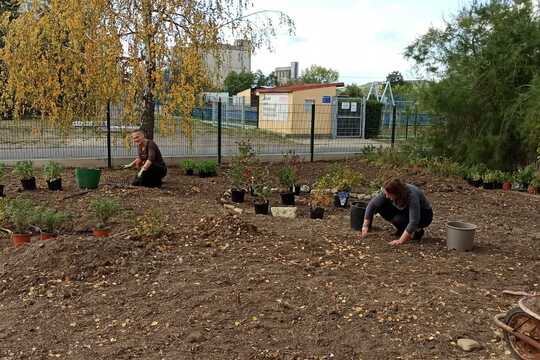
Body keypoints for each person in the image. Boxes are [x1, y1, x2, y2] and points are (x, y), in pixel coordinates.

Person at [361, 178, 433, 246]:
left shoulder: (411, 195)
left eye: (388, 194)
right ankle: (402, 229)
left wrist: (400, 241)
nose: (386, 196)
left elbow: (414, 221)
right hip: (405, 210)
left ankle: (418, 230)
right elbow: (372, 205)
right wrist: (365, 226)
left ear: (396, 193)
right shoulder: (389, 190)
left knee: (399, 220)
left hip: (424, 215)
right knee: (382, 206)